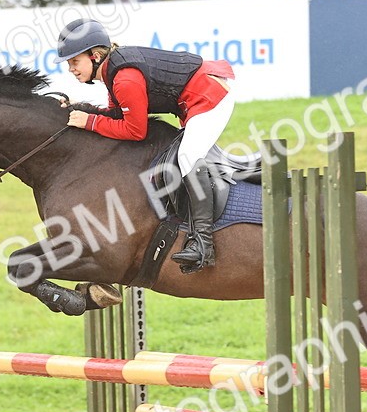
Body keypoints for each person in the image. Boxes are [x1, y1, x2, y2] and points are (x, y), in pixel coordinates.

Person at [58, 18, 236, 274]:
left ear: (95, 55)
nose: (70, 69)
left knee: (188, 157)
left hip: (209, 96)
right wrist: (81, 110)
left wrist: (90, 122)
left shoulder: (124, 78)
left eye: (74, 61)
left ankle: (203, 244)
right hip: (195, 98)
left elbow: (135, 130)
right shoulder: (113, 72)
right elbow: (115, 114)